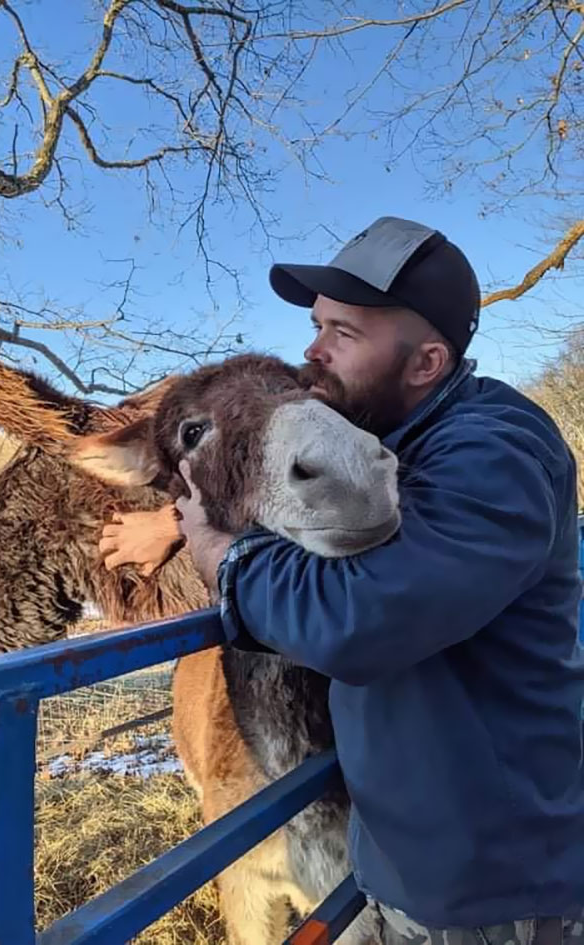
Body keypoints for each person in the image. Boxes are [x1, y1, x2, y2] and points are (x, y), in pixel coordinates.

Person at [100, 216, 584, 945]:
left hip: (495, 899)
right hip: (405, 872)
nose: (312, 350)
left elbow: (360, 618)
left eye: (344, 334)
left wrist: (223, 554)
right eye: (317, 324)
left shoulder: (497, 454)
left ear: (424, 363)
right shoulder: (404, 439)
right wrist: (181, 523)